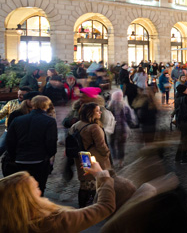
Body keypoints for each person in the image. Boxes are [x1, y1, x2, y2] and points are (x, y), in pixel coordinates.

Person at [0, 160, 132, 233]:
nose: (38, 188)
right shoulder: (53, 222)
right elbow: (105, 207)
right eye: (34, 188)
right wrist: (102, 176)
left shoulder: (8, 224)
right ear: (27, 199)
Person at [4, 95, 57, 193]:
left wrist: (13, 157)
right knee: (38, 188)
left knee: (21, 188)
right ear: (46, 106)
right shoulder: (50, 121)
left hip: (20, 159)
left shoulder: (18, 120)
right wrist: (49, 156)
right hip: (39, 160)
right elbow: (51, 142)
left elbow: (10, 140)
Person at [106, 90, 137, 169]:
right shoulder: (125, 107)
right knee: (121, 145)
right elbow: (130, 119)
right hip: (122, 129)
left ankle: (115, 159)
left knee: (112, 145)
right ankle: (120, 161)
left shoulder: (108, 107)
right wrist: (132, 125)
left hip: (111, 130)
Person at [172, 83, 187, 165]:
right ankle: (184, 158)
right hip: (186, 121)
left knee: (182, 139)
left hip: (180, 121)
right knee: (186, 140)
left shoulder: (177, 98)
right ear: (183, 90)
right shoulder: (186, 98)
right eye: (186, 89)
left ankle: (178, 157)